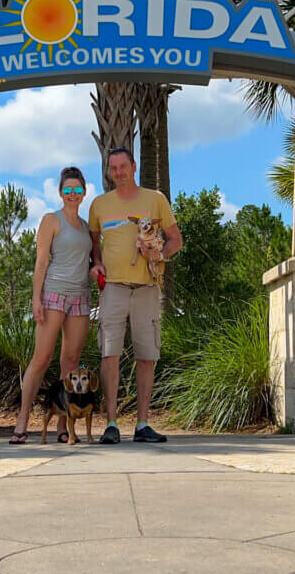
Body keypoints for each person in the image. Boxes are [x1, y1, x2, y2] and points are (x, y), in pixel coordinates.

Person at [88, 146, 182, 444]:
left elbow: (175, 240)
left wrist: (158, 255)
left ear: (134, 166)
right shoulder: (99, 205)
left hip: (147, 289)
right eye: (113, 168)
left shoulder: (155, 200)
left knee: (146, 355)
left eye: (123, 166)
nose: (118, 172)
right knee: (109, 354)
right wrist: (97, 264)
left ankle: (142, 424)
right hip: (113, 288)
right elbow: (93, 244)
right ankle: (112, 424)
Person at [9, 167, 93, 444]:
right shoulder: (51, 220)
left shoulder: (86, 228)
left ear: (84, 192)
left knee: (70, 362)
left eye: (77, 190)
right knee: (41, 359)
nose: (72, 194)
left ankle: (62, 425)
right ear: (60, 193)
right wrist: (36, 298)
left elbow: (92, 261)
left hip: (80, 297)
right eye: (67, 190)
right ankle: (22, 420)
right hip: (54, 294)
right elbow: (41, 262)